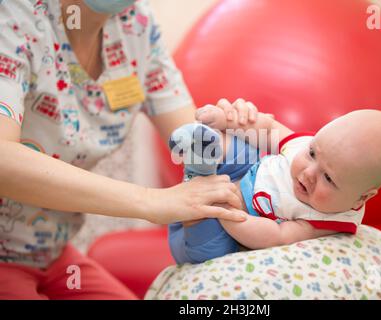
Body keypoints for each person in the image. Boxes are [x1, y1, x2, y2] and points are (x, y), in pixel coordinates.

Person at [0, 0, 258, 299]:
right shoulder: (14, 16)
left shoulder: (135, 26)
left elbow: (197, 141)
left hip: (52, 257)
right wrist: (151, 201)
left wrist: (248, 130)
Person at [168, 101, 381, 264]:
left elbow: (277, 235)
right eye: (312, 154)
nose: (308, 172)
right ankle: (201, 149)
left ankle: (198, 174)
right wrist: (225, 120)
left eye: (328, 178)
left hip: (217, 230)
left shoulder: (333, 219)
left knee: (216, 251)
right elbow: (268, 128)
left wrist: (226, 211)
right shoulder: (312, 144)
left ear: (363, 196)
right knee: (245, 146)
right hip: (242, 174)